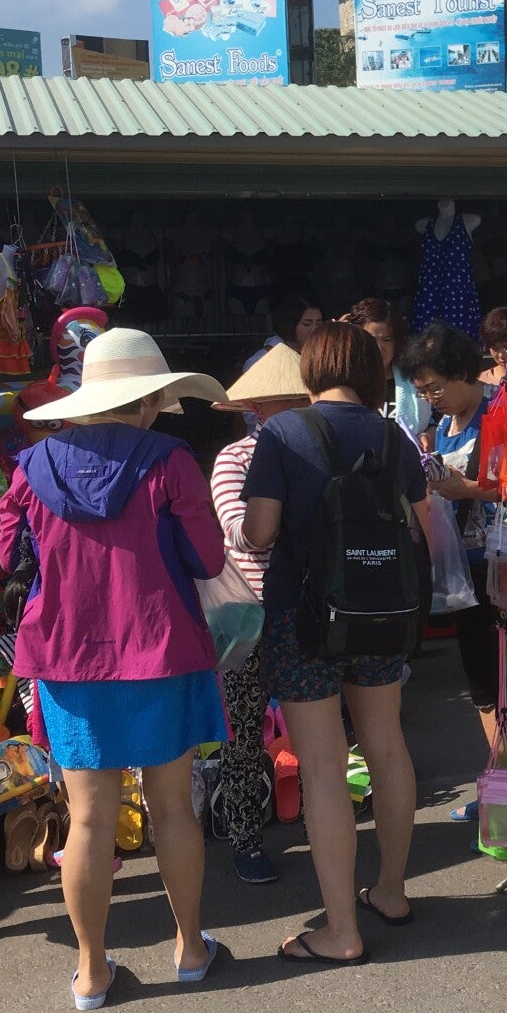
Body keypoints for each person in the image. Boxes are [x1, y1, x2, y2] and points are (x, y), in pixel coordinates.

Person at [2, 328, 230, 1009]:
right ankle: (190, 949)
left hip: (68, 658)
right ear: (151, 399)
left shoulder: (31, 466)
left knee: (89, 820)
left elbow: (10, 556)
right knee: (172, 807)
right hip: (161, 647)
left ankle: (91, 971)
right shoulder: (172, 461)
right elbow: (208, 559)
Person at [241, 322, 429, 962]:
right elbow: (421, 524)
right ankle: (392, 892)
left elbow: (260, 532)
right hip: (383, 613)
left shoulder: (282, 434)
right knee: (387, 747)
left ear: (310, 368)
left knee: (322, 767)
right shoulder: (394, 435)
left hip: (303, 619)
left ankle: (341, 930)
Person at [208, 344, 310, 886]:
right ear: (257, 408)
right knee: (243, 732)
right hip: (248, 613)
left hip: (308, 606)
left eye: (300, 400)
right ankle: (246, 838)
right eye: (283, 403)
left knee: (315, 726)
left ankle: (322, 816)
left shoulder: (319, 447)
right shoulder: (235, 458)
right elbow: (242, 532)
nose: (295, 411)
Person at [398, 322, 502, 821]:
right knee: (482, 683)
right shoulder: (445, 426)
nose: (431, 399)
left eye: (435, 388)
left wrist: (467, 489)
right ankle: (501, 782)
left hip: (501, 565)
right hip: (464, 568)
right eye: (423, 392)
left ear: (463, 371)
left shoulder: (499, 411)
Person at [346, 297, 427, 436]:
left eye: (387, 339)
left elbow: (430, 423)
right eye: (371, 339)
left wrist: (427, 435)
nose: (379, 347)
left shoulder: (414, 380)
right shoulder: (347, 381)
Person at [243, 296, 324, 429]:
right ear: (289, 325)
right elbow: (249, 413)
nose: (314, 329)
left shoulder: (320, 358)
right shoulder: (261, 360)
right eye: (307, 324)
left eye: (319, 324)